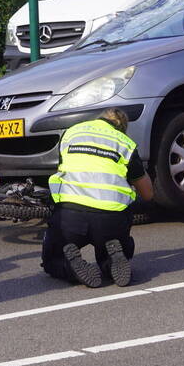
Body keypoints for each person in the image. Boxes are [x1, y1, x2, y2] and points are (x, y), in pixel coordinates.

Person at [41, 108, 153, 288]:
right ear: (122, 127)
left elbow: (63, 170)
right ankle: (111, 261)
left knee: (52, 260)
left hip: (70, 218)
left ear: (99, 119)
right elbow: (148, 194)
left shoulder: (71, 133)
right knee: (110, 243)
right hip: (110, 221)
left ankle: (70, 267)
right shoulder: (125, 143)